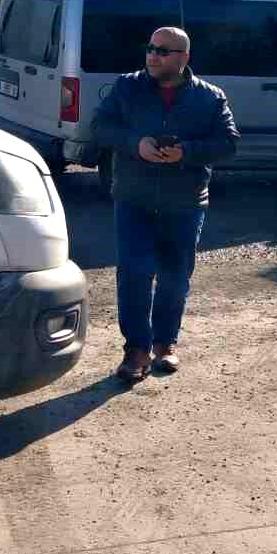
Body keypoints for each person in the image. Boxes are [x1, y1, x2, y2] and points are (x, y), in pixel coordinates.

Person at [90, 26, 239, 383]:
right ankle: (136, 350)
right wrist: (134, 144)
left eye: (163, 51)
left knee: (174, 277)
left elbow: (228, 143)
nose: (153, 55)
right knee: (135, 273)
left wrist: (186, 152)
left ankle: (164, 344)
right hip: (133, 199)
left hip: (185, 203)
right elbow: (99, 127)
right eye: (150, 48)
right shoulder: (127, 86)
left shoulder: (210, 97)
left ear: (184, 58)